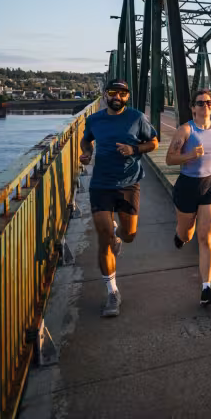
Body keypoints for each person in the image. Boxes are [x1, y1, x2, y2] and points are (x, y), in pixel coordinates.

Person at [80, 79, 159, 317]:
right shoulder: (94, 119)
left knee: (130, 235)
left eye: (122, 93)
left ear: (127, 96)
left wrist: (134, 150)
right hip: (101, 184)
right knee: (102, 237)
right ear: (105, 95)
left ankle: (118, 235)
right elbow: (87, 138)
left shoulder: (136, 118)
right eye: (113, 92)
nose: (118, 96)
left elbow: (154, 142)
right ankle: (112, 292)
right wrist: (87, 152)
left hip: (128, 184)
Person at [165, 88, 211, 306]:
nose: (206, 106)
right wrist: (190, 155)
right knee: (187, 235)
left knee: (206, 238)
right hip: (187, 186)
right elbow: (169, 159)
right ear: (193, 108)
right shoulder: (185, 130)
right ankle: (179, 235)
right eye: (201, 103)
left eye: (209, 102)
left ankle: (206, 289)